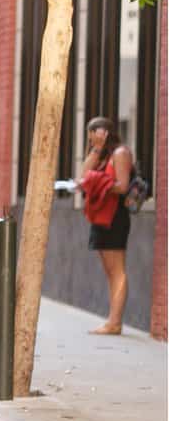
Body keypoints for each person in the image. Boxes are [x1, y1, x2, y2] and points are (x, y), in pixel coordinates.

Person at [77, 116, 133, 335]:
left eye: (95, 138)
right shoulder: (103, 155)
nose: (92, 143)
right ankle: (113, 319)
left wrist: (97, 184)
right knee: (110, 271)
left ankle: (115, 322)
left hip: (115, 216)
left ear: (106, 133)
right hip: (100, 215)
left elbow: (122, 186)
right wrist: (96, 150)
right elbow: (83, 176)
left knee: (117, 270)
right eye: (90, 140)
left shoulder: (121, 153)